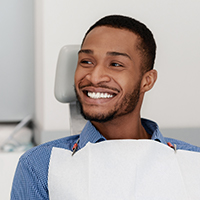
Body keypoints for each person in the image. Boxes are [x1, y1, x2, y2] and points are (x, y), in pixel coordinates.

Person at [11, 15, 200, 199]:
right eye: (86, 62)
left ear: (147, 81)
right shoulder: (39, 166)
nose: (94, 77)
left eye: (115, 64)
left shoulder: (193, 163)